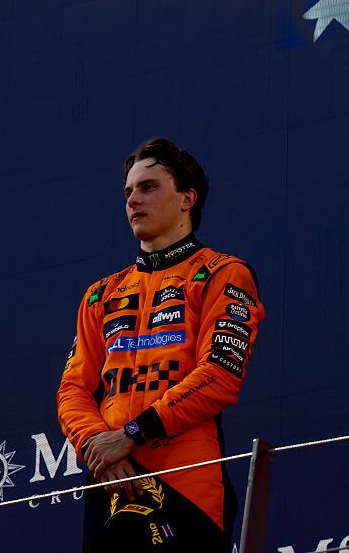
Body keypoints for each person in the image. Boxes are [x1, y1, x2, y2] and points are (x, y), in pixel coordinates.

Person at [58, 138, 265, 552]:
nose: (133, 200)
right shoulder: (102, 294)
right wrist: (98, 445)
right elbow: (73, 390)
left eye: (148, 187)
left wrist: (133, 432)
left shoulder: (222, 273)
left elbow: (220, 375)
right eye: (128, 192)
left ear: (187, 198)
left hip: (187, 480)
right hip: (111, 481)